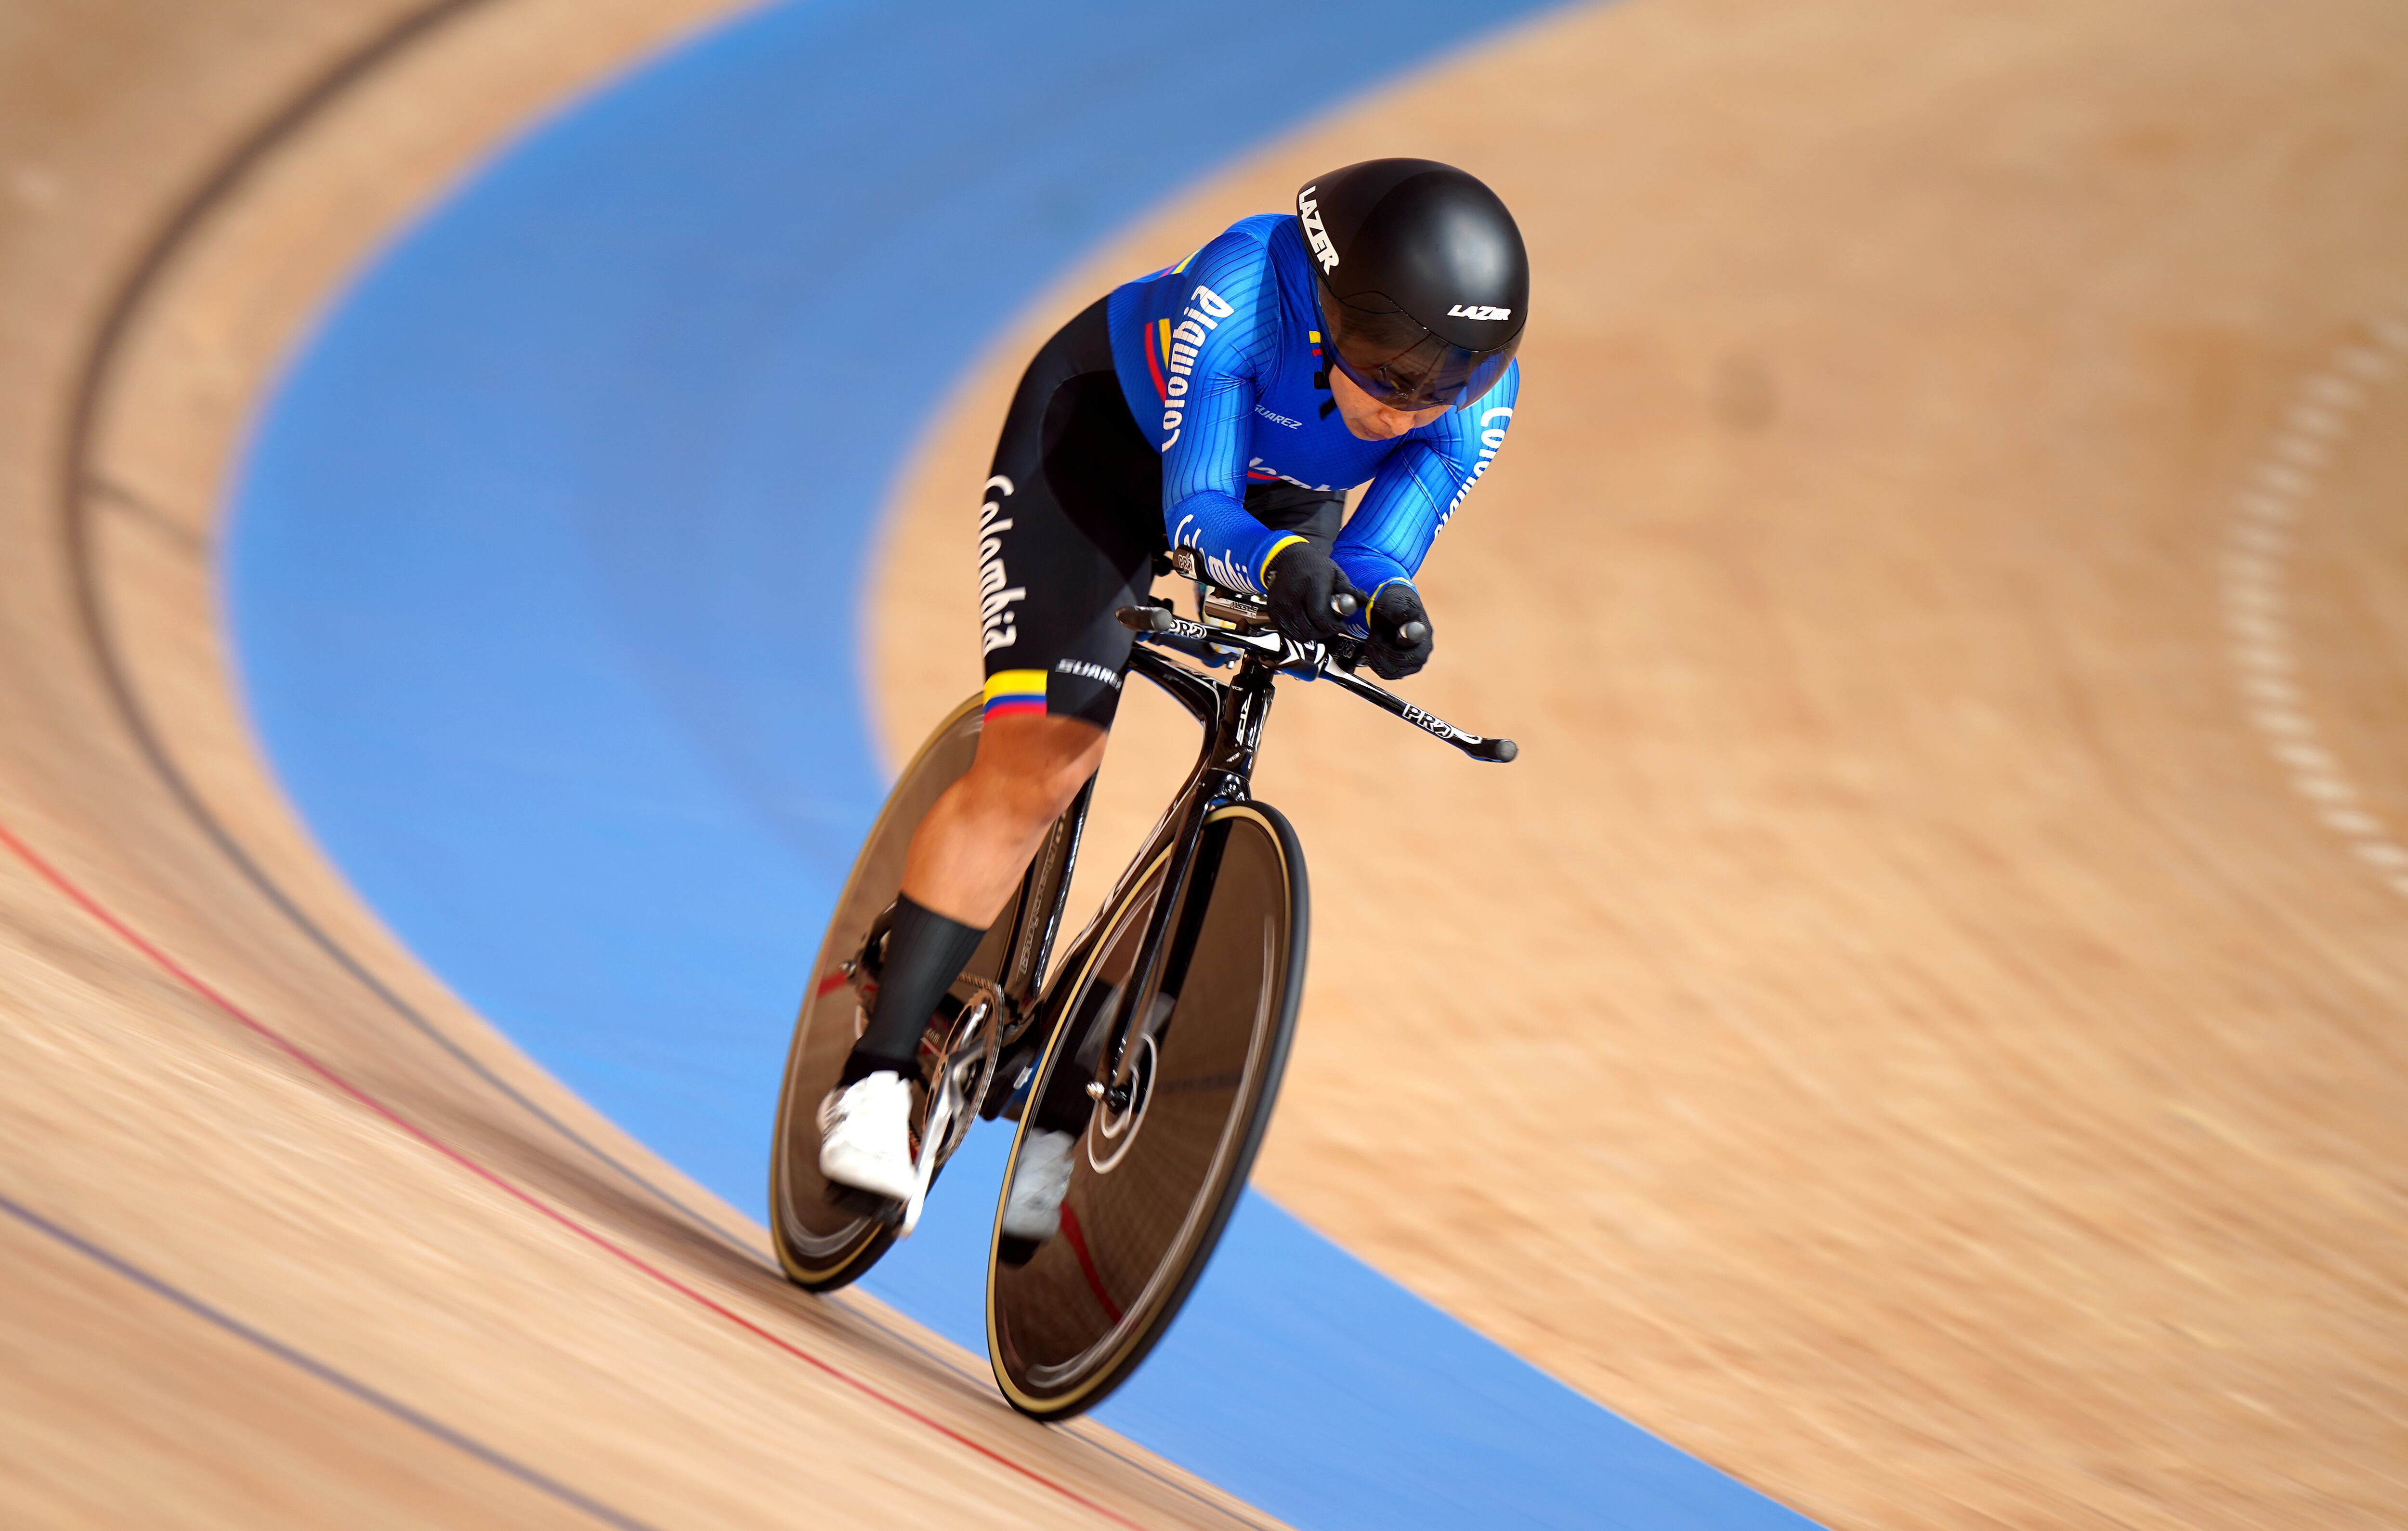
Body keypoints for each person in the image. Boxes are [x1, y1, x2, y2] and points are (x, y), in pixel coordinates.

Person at [817, 157, 1527, 1237]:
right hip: (1103, 447)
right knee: (1047, 757)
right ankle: (873, 1082)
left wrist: (1384, 606)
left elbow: (1380, 549)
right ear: (1332, 312)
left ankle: (1089, 1034)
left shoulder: (1471, 400)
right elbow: (1196, 508)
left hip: (1274, 494)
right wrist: (1283, 563)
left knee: (1269, 692)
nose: (1413, 406)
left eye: (1450, 383)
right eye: (1393, 371)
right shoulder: (1243, 284)